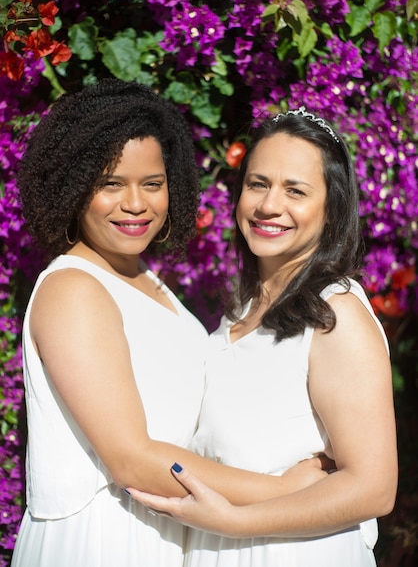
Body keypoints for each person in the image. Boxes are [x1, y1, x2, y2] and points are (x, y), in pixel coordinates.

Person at [12, 83, 330, 567]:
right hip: (102, 541)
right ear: (74, 187)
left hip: (163, 533)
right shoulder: (74, 288)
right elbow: (132, 460)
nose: (136, 204)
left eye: (153, 183)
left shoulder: (148, 283)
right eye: (111, 183)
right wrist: (282, 493)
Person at [126, 107, 398, 567]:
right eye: (258, 184)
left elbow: (373, 487)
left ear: (331, 209)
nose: (269, 205)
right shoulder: (238, 315)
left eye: (296, 190)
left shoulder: (336, 312)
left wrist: (234, 522)